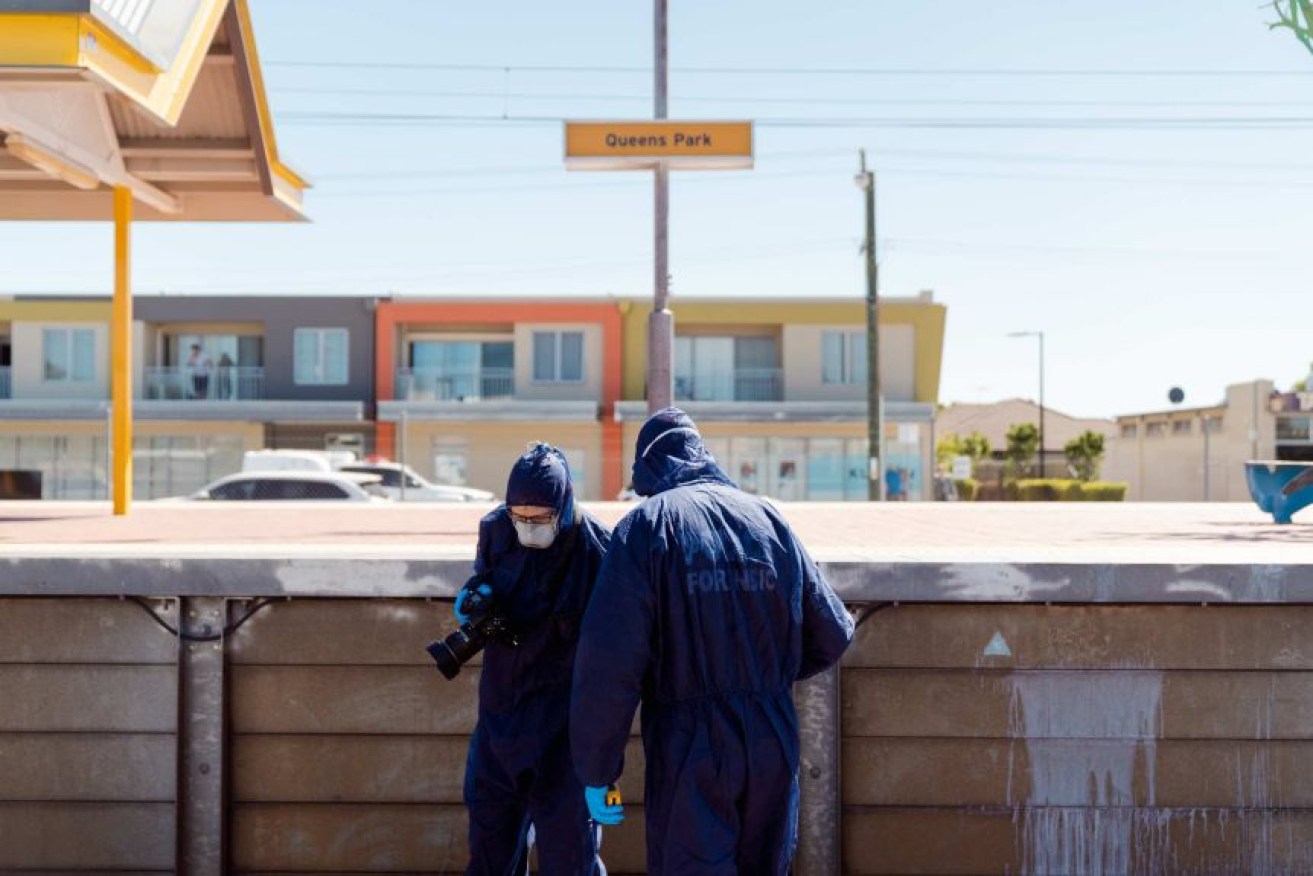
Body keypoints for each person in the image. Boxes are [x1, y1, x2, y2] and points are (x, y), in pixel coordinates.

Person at [569, 408, 854, 875]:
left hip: (690, 742)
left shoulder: (645, 528)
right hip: (771, 732)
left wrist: (598, 770)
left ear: (648, 467)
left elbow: (609, 666)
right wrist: (765, 676)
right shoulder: (767, 519)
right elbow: (832, 632)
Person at [456, 443, 612, 876]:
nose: (527, 527)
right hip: (501, 721)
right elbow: (484, 575)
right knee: (490, 851)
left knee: (570, 856)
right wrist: (477, 595)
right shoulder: (497, 530)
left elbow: (617, 653)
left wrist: (605, 763)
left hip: (564, 733)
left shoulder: (596, 549)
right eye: (518, 516)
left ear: (561, 507)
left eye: (539, 518)